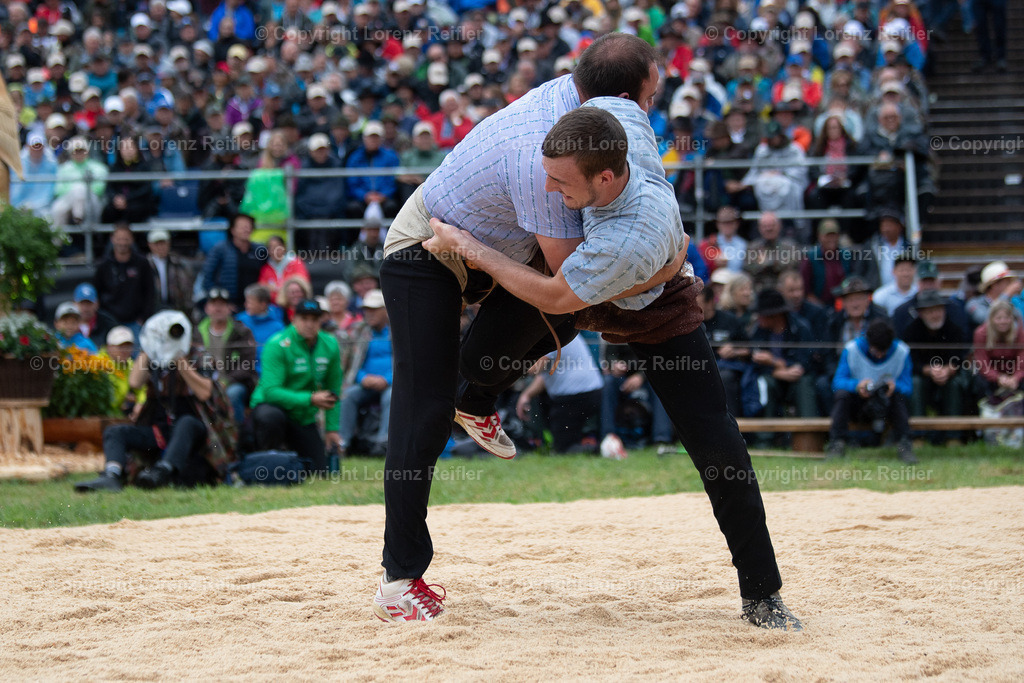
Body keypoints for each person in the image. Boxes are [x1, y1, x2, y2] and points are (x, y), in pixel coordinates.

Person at [412, 91, 799, 629]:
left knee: (718, 445)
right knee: (477, 362)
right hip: (585, 280)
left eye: (561, 182)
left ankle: (763, 593)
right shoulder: (615, 122)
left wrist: (468, 247)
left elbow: (556, 298)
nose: (548, 189)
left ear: (606, 179)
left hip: (649, 310)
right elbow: (615, 85)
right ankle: (476, 401)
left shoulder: (629, 235)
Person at [75, 318, 228, 492]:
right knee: (115, 431)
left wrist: (179, 358)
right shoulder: (156, 356)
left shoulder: (198, 355)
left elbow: (204, 392)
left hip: (196, 431)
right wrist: (148, 347)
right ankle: (112, 475)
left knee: (185, 423)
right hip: (160, 432)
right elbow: (135, 382)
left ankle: (163, 471)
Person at [249, 300, 342, 474]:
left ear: (321, 321)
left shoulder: (330, 344)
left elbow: (334, 388)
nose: (309, 324)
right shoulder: (277, 344)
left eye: (314, 319)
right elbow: (270, 392)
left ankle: (291, 460)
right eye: (304, 318)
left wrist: (331, 429)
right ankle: (266, 463)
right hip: (272, 409)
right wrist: (311, 398)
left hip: (303, 416)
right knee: (270, 416)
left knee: (320, 471)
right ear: (294, 319)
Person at [828, 319, 916, 464]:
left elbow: (908, 387)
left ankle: (904, 445)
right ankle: (837, 443)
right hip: (859, 405)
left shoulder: (901, 351)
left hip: (886, 404)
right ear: (868, 343)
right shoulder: (852, 349)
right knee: (842, 395)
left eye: (884, 352)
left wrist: (895, 386)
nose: (879, 356)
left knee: (898, 397)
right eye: (876, 351)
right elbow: (837, 382)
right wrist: (857, 385)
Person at [901, 290, 970, 442]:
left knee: (955, 385)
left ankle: (953, 436)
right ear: (921, 313)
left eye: (938, 309)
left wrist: (948, 370)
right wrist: (928, 370)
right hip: (922, 375)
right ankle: (918, 435)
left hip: (949, 375)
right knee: (915, 384)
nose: (935, 314)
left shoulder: (954, 329)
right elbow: (909, 361)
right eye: (930, 311)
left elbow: (960, 357)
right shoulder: (911, 331)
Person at [515, 335, 604, 453]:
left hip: (577, 396)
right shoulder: (560, 330)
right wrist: (526, 395)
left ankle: (603, 449)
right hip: (583, 394)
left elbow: (533, 369)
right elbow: (543, 376)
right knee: (563, 442)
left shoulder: (551, 335)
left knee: (563, 449)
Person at [748, 289, 818, 422]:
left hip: (796, 377)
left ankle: (809, 432)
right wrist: (775, 370)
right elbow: (754, 361)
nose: (759, 318)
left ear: (775, 315)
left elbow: (806, 361)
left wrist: (778, 363)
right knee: (764, 383)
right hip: (772, 376)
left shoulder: (800, 328)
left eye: (762, 314)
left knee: (805, 383)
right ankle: (765, 437)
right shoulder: (759, 330)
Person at [338, 289, 393, 457]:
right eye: (366, 309)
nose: (369, 313)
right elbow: (352, 365)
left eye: (374, 309)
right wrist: (363, 378)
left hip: (392, 383)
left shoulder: (399, 331)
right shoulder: (359, 331)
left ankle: (384, 444)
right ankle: (342, 444)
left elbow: (406, 363)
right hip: (366, 383)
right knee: (348, 396)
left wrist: (387, 379)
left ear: (386, 310)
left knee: (391, 397)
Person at [196, 288, 258, 425]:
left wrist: (226, 381)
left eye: (222, 304)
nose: (218, 308)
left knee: (233, 394)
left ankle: (237, 435)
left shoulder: (242, 331)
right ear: (206, 308)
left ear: (230, 308)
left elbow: (248, 363)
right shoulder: (197, 332)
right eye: (214, 304)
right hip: (203, 382)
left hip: (234, 382)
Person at [94, 224, 155, 333]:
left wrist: (143, 318)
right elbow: (97, 292)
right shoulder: (103, 265)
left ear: (132, 240)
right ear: (112, 239)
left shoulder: (142, 263)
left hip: (136, 323)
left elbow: (150, 292)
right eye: (119, 239)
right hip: (110, 323)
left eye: (126, 239)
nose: (122, 243)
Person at [200, 213, 266, 309]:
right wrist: (222, 302)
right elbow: (207, 276)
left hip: (254, 306)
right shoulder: (220, 249)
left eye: (248, 226)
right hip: (229, 305)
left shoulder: (260, 250)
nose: (246, 229)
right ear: (232, 230)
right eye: (242, 227)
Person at [972, 300, 1024, 401]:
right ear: (991, 319)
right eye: (999, 318)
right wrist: (998, 378)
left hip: (1013, 375)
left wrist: (1015, 378)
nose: (1003, 321)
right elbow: (983, 364)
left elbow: (1022, 362)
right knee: (978, 381)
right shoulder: (981, 333)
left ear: (1011, 319)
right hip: (990, 375)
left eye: (1006, 318)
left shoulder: (1020, 334)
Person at [744, 212, 801, 293]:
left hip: (783, 290)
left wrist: (768, 263)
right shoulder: (753, 247)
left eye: (772, 225)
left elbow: (793, 265)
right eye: (765, 226)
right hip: (759, 290)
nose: (769, 229)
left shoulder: (790, 246)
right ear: (760, 228)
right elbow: (748, 268)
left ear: (779, 226)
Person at [235, 284, 286, 371]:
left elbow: (282, 354)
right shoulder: (240, 320)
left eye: (250, 302)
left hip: (268, 371)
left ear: (263, 305)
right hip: (243, 372)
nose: (246, 305)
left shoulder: (278, 327)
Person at [99, 326, 146, 418]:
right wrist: (125, 397)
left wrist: (140, 403)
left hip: (119, 416)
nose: (125, 351)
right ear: (109, 347)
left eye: (128, 346)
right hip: (101, 416)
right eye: (121, 347)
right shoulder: (98, 363)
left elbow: (143, 389)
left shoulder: (131, 364)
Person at [147, 229, 194, 317]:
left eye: (163, 243)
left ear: (169, 244)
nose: (161, 247)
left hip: (176, 308)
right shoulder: (145, 264)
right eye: (157, 244)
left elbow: (187, 288)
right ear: (150, 245)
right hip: (152, 310)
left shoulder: (179, 263)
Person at [966, 261, 1022, 327]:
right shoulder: (974, 303)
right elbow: (985, 320)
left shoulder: (1011, 303)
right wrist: (1005, 295)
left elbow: (1018, 326)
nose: (1010, 285)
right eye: (1007, 281)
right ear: (994, 284)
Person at [258, 235, 311, 301]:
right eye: (271, 248)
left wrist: (276, 288)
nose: (274, 251)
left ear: (284, 247)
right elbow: (263, 289)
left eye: (277, 247)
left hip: (293, 304)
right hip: (273, 305)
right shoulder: (266, 268)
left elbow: (301, 284)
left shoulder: (296, 263)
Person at [73, 283, 118, 350]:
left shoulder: (108, 324)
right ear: (74, 303)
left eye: (89, 304)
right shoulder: (66, 323)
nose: (85, 308)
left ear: (97, 304)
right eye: (82, 304)